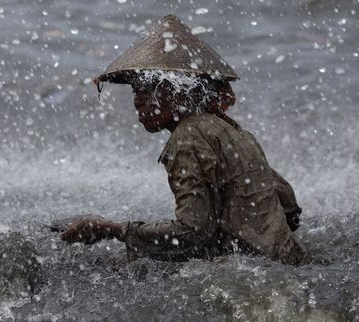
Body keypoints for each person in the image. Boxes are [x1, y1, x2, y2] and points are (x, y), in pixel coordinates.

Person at [55, 15, 310, 265]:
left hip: (256, 273)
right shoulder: (233, 131)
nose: (137, 101)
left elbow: (192, 231)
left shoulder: (187, 139)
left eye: (147, 89)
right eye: (135, 90)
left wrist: (113, 229)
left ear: (179, 91)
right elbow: (289, 207)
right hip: (291, 262)